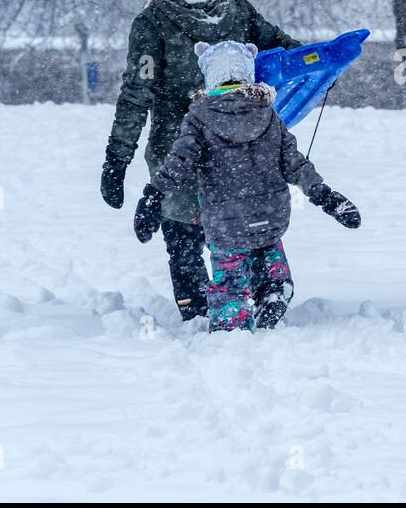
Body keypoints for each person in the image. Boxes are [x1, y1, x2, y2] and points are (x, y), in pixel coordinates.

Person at [100, 0, 301, 320]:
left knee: (183, 229)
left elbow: (136, 93)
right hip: (241, 145)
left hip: (180, 147)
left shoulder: (153, 20)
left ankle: (199, 308)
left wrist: (116, 159)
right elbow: (285, 51)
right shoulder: (235, 6)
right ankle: (267, 289)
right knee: (242, 218)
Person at [131, 39, 360, 331]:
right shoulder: (268, 113)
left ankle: (231, 322)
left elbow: (179, 162)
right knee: (270, 258)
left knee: (228, 282)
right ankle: (274, 289)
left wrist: (152, 197)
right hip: (269, 218)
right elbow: (295, 164)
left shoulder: (199, 118)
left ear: (210, 74)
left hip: (225, 225)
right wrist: (326, 196)